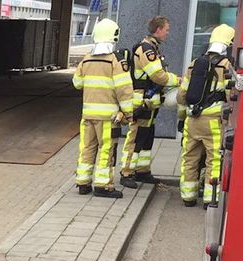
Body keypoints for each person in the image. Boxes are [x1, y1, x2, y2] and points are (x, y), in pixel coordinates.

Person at [72, 19, 133, 198]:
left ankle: (83, 183)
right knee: (106, 149)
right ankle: (103, 185)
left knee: (87, 148)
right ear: (114, 36)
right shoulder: (115, 61)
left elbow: (77, 83)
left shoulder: (86, 59)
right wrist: (128, 114)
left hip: (88, 115)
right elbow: (125, 90)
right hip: (108, 118)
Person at [178, 24, 236, 208]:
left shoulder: (194, 63)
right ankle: (211, 199)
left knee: (189, 158)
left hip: (192, 120)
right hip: (213, 121)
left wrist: (183, 116)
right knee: (214, 160)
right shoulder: (226, 65)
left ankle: (188, 197)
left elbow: (182, 95)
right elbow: (230, 95)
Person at [120, 16, 180, 188]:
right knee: (136, 136)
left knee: (147, 137)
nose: (167, 33)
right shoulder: (147, 50)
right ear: (158, 29)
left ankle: (142, 171)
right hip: (142, 101)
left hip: (150, 102)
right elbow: (158, 76)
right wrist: (178, 80)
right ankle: (126, 172)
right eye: (166, 30)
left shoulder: (152, 48)